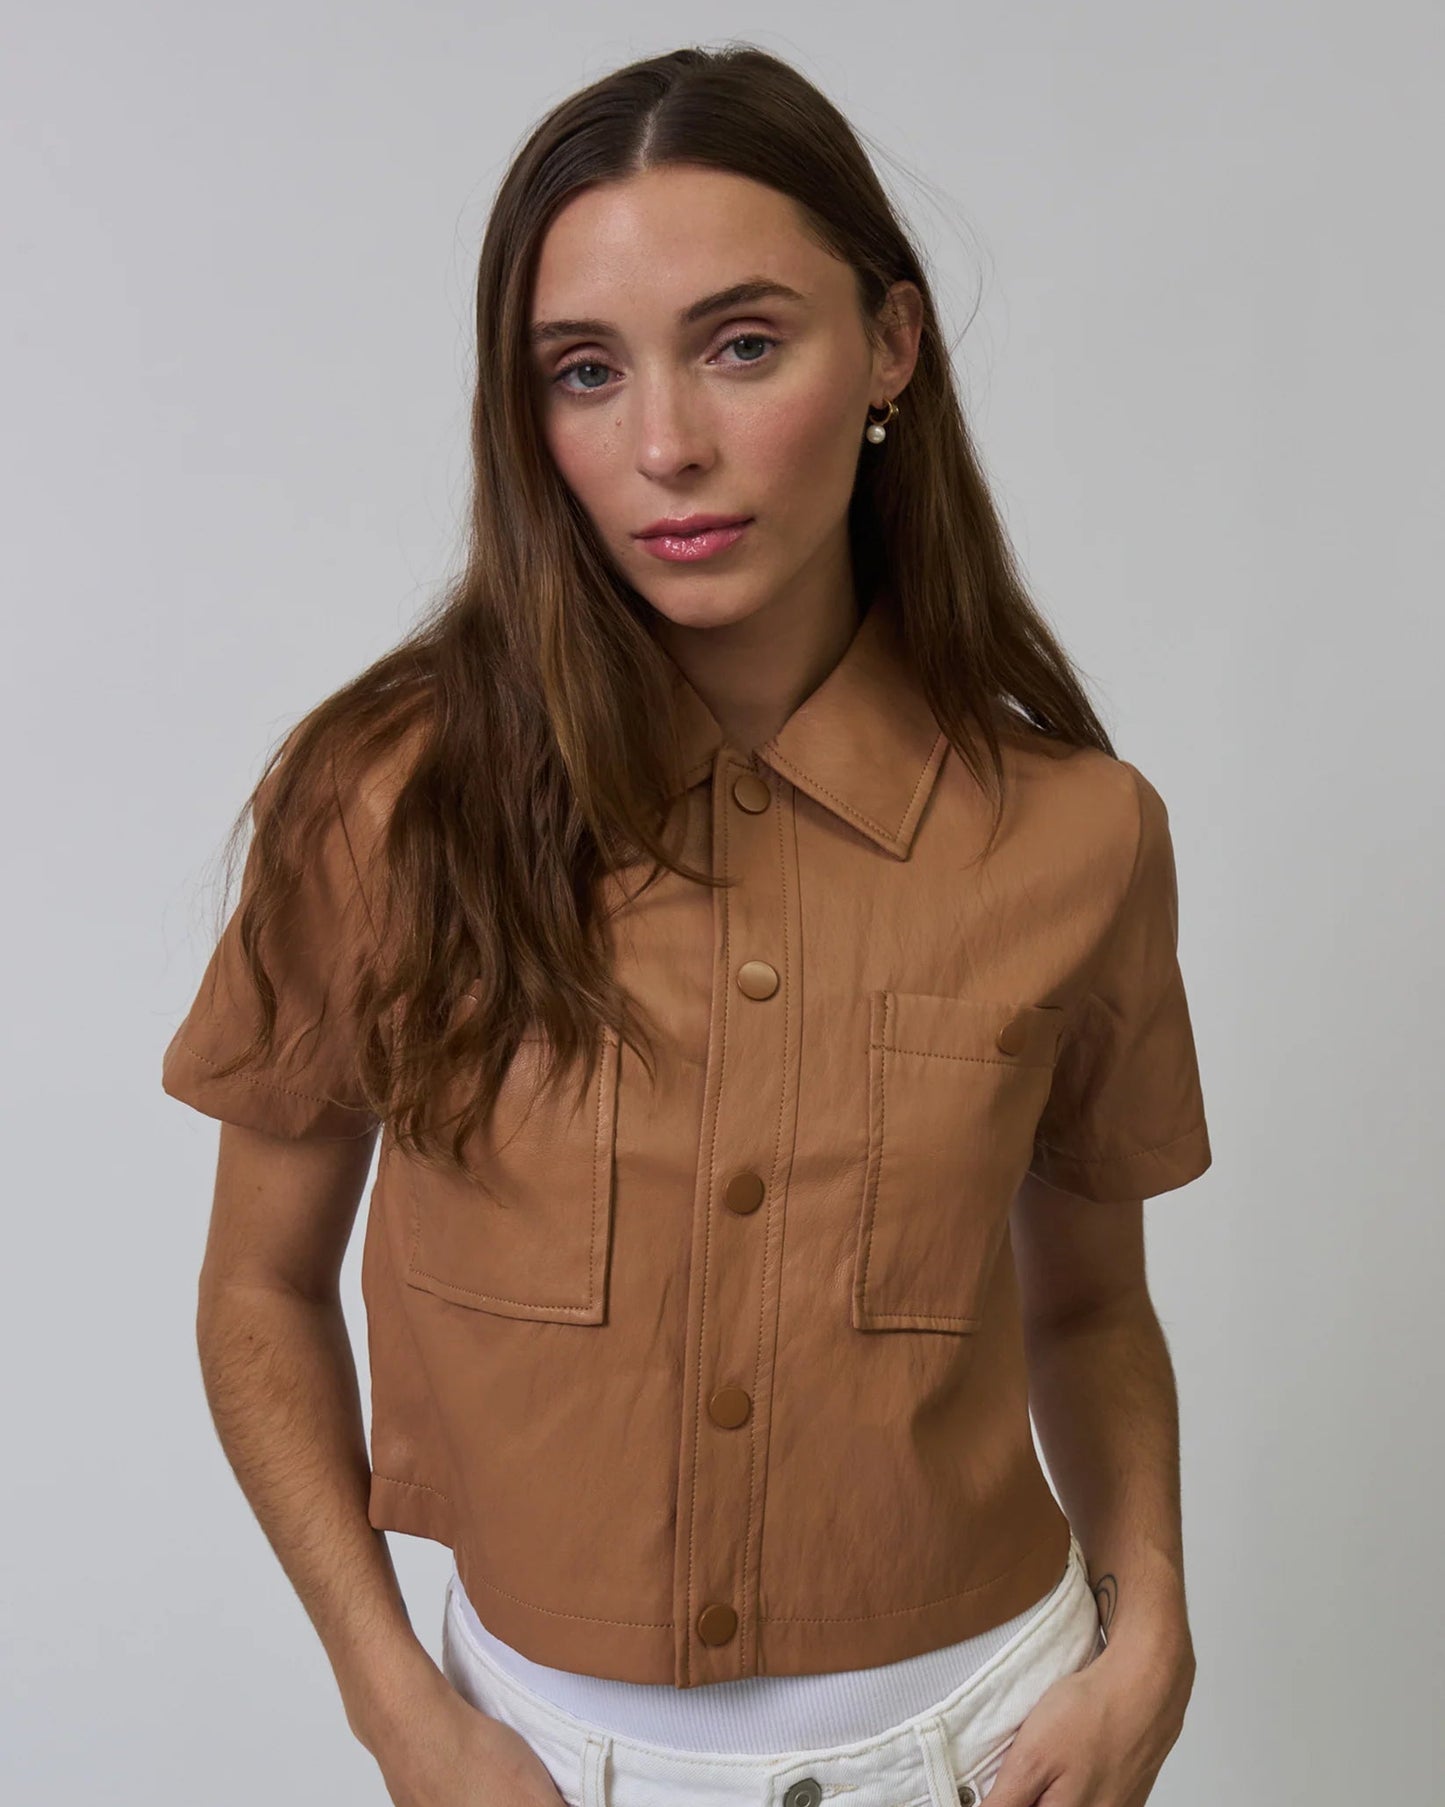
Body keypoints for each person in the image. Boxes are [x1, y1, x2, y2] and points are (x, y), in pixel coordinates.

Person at [161, 42, 1212, 1807]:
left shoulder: (1079, 836)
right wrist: (393, 1708)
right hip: (536, 1766)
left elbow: (1092, 1311)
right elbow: (256, 1286)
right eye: (584, 372)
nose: (664, 444)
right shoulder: (381, 802)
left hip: (995, 1745)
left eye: (741, 344)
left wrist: (1155, 1629)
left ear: (887, 346)